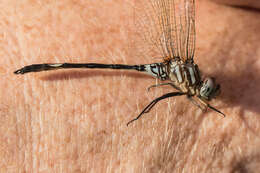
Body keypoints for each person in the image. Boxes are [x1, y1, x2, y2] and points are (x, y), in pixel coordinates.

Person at [2, 0, 260, 172]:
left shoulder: (191, 86)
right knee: (157, 98)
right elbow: (168, 98)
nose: (208, 91)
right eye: (207, 89)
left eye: (208, 90)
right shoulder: (190, 86)